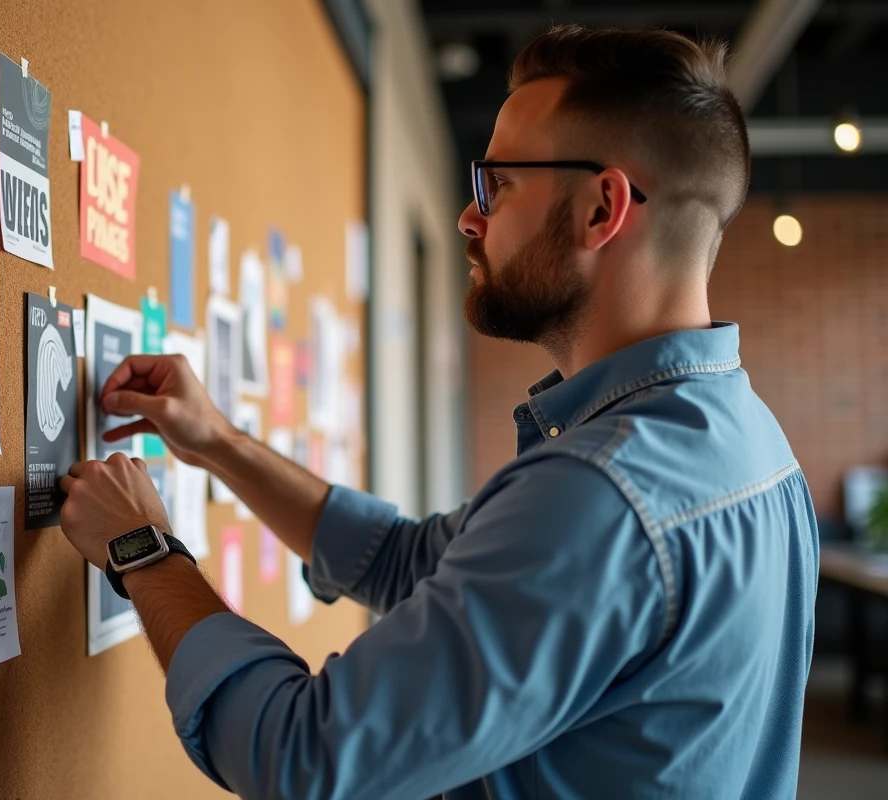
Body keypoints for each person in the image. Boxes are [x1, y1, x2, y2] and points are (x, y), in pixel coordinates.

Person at [57, 25, 819, 800]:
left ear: (601, 209)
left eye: (498, 185)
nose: (468, 216)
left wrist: (144, 552)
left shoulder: (602, 497)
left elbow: (303, 757)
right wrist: (217, 442)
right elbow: (404, 561)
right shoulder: (754, 445)